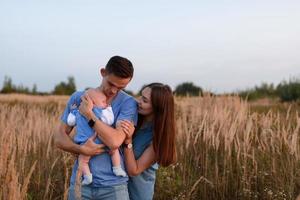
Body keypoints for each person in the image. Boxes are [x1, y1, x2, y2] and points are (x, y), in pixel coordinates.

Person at [54, 55, 137, 200]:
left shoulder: (128, 103)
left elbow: (115, 142)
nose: (113, 91)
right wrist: (81, 149)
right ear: (103, 72)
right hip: (81, 183)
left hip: (114, 187)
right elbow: (59, 138)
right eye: (111, 84)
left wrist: (89, 115)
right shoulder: (78, 97)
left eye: (121, 87)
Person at [120, 83, 177, 200]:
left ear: (157, 107)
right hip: (118, 190)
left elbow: (133, 170)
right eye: (141, 96)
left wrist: (128, 140)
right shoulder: (134, 119)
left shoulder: (158, 138)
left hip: (137, 194)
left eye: (145, 101)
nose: (139, 101)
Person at [66, 87, 127, 186]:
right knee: (114, 151)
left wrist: (73, 110)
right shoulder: (101, 112)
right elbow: (110, 120)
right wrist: (109, 108)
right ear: (93, 103)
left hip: (86, 143)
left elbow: (70, 121)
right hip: (102, 141)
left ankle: (87, 176)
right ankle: (117, 168)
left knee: (83, 160)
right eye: (103, 101)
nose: (105, 103)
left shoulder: (78, 112)